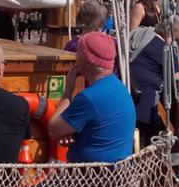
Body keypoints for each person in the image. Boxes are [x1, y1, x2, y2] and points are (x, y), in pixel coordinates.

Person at [49, 32, 135, 163]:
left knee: (36, 185)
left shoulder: (88, 98)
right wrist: (72, 134)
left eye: (78, 53)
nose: (76, 58)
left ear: (87, 61)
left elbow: (54, 130)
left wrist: (68, 90)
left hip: (91, 179)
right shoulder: (119, 88)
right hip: (118, 175)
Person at [128, 18, 176, 143]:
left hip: (129, 94)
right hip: (147, 101)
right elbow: (176, 78)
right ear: (170, 35)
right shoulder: (165, 49)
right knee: (151, 136)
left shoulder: (140, 36)